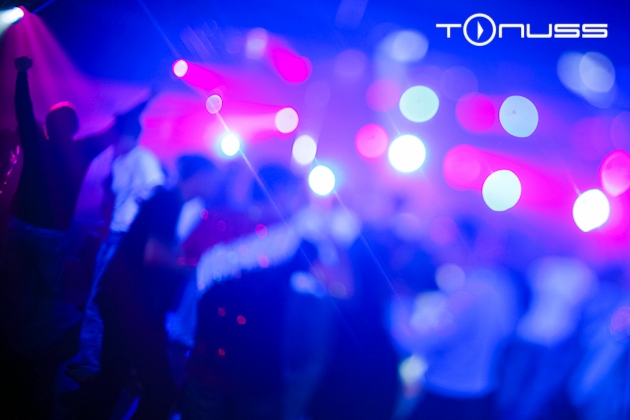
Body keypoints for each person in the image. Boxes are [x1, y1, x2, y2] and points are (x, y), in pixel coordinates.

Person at [0, 56, 148, 418]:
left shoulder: (36, 142)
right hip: (52, 234)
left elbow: (22, 108)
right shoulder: (82, 149)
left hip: (19, 225)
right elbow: (117, 127)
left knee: (10, 286)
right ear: (74, 127)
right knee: (45, 293)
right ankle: (29, 349)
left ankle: (7, 341)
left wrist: (22, 73)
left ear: (49, 125)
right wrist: (148, 99)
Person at [81, 155, 220, 420]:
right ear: (200, 177)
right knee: (160, 391)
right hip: (133, 308)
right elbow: (153, 253)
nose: (216, 186)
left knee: (111, 380)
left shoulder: (170, 202)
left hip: (125, 302)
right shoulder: (168, 201)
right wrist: (196, 268)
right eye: (213, 180)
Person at [68, 112, 165, 381]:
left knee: (100, 302)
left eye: (116, 136)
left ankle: (96, 368)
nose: (113, 141)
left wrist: (138, 232)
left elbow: (156, 193)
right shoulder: (122, 160)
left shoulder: (143, 159)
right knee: (101, 303)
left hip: (123, 241)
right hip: (115, 236)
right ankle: (99, 366)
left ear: (128, 136)